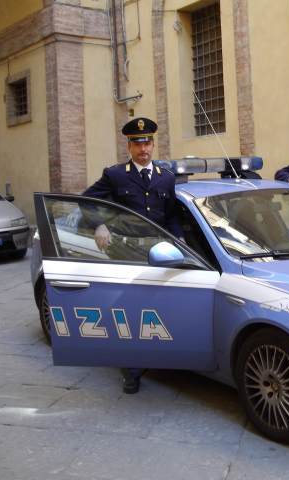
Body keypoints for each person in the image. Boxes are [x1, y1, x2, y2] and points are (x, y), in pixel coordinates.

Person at [82, 116, 182, 395]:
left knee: (160, 310)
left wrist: (181, 242)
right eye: (138, 144)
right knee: (131, 313)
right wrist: (98, 224)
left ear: (153, 143)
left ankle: (165, 360)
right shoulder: (115, 175)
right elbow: (87, 201)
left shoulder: (166, 178)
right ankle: (132, 370)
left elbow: (172, 215)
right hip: (127, 252)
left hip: (160, 253)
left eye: (148, 142)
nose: (144, 149)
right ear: (129, 146)